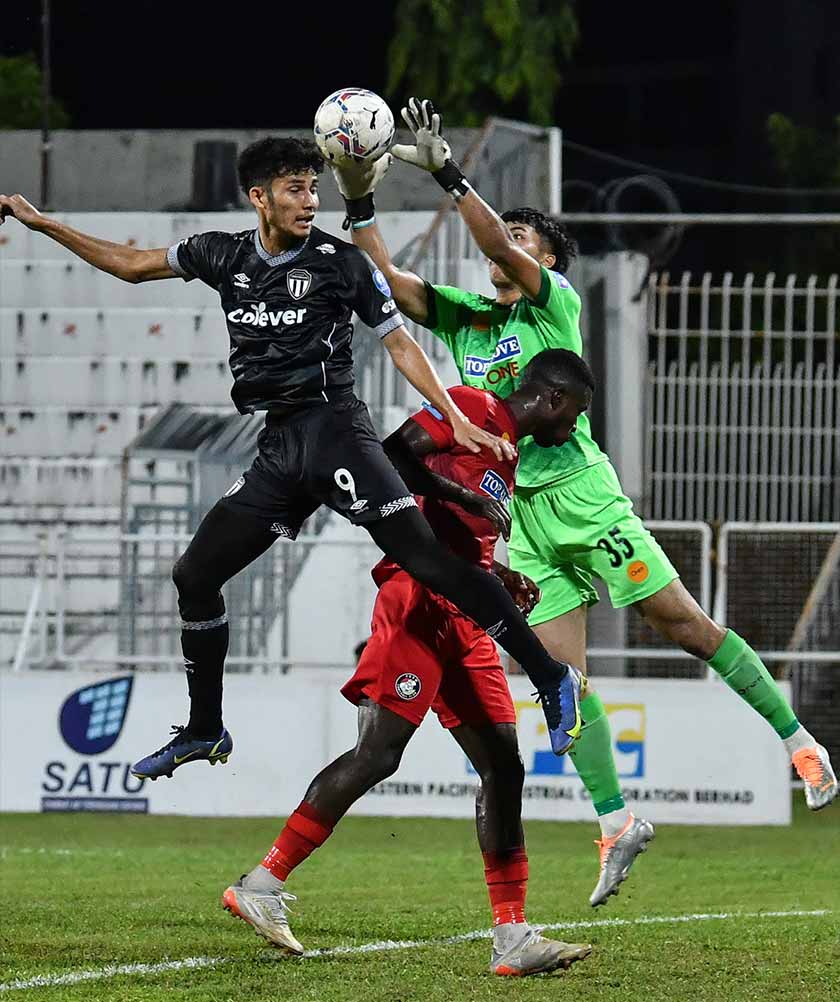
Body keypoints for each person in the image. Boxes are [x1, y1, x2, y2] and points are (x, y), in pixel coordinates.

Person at [331, 99, 839, 907]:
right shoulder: (465, 321)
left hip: (584, 498)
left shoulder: (551, 303)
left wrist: (448, 174)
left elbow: (495, 239)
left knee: (683, 625)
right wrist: (359, 197)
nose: (508, 248)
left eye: (525, 239)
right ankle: (616, 821)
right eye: (513, 237)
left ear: (545, 260)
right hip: (519, 519)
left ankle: (800, 742)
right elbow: (384, 278)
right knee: (561, 682)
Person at [1, 138, 586, 777]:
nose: (310, 201)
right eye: (295, 189)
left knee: (428, 560)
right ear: (259, 197)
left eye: (314, 187)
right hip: (279, 447)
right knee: (194, 577)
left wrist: (455, 419)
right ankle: (204, 730)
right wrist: (43, 223)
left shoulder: (341, 263)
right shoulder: (218, 252)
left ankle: (551, 676)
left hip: (337, 431)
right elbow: (133, 265)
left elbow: (399, 347)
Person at [222, 348, 595, 976]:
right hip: (417, 599)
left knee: (504, 765)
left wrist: (498, 572)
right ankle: (261, 882)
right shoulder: (473, 408)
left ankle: (512, 936)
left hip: (466, 613)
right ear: (555, 400)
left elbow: (451, 530)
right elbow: (391, 456)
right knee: (379, 753)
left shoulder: (509, 450)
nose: (573, 427)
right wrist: (465, 498)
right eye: (575, 413)